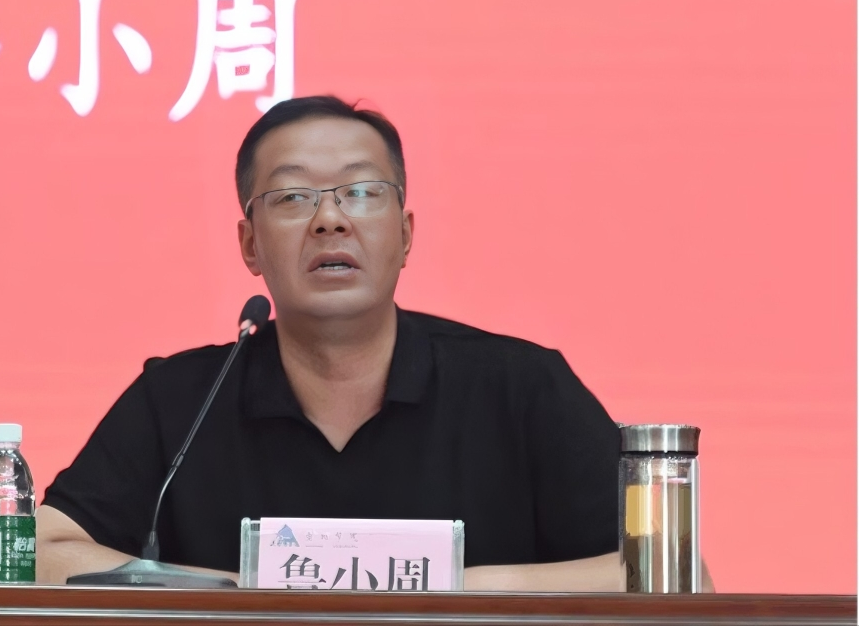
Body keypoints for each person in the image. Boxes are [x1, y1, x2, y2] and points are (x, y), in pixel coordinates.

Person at [37, 96, 710, 591]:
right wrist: (246, 594)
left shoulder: (520, 386)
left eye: (360, 192)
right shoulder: (182, 401)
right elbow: (40, 552)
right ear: (249, 245)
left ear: (406, 233)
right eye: (293, 197)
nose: (330, 219)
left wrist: (451, 591)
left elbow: (674, 574)